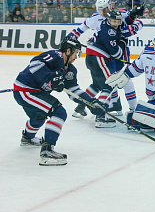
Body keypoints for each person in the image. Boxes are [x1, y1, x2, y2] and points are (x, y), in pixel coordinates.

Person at [13, 37, 105, 166]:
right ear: (68, 50)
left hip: (33, 92)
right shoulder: (55, 56)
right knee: (59, 112)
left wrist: (90, 102)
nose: (77, 56)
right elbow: (34, 64)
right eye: (76, 53)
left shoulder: (70, 70)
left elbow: (73, 90)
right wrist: (50, 78)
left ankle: (27, 138)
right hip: (26, 90)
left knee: (38, 117)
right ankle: (47, 151)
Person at [67, 0, 144, 119]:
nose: (103, 12)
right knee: (115, 82)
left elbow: (133, 21)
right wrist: (69, 38)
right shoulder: (96, 19)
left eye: (104, 9)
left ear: (110, 6)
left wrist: (135, 15)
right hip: (107, 54)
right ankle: (125, 109)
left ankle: (84, 106)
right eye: (100, 9)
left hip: (111, 53)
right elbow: (79, 30)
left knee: (102, 83)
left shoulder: (119, 14)